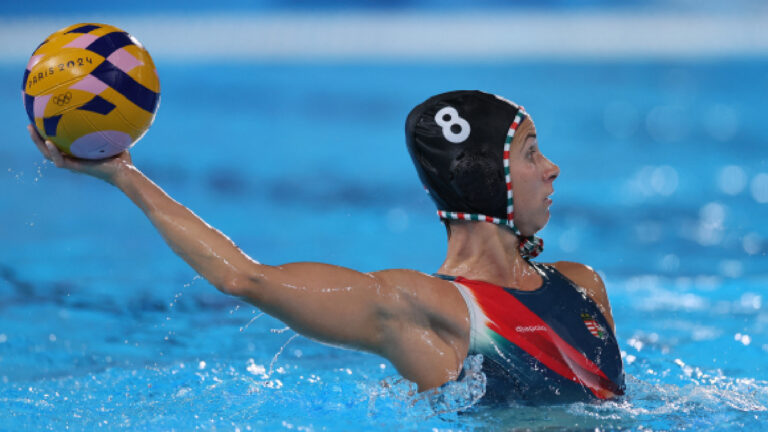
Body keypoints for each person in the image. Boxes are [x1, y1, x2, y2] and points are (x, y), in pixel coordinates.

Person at [28, 90, 624, 404]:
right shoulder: (422, 310)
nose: (552, 169)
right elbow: (245, 278)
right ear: (486, 178)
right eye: (530, 154)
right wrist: (123, 175)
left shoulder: (582, 287)